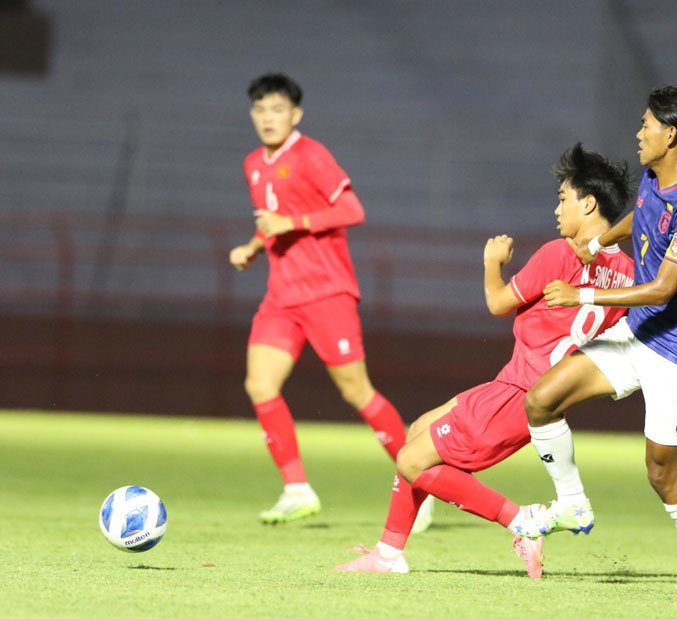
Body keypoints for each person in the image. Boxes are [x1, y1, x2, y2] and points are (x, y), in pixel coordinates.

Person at [334, 144, 635, 577]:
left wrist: (491, 262)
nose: (557, 209)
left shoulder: (559, 252)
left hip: (518, 393)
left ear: (588, 203)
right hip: (537, 394)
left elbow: (497, 302)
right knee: (418, 430)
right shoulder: (624, 271)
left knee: (412, 461)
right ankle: (389, 550)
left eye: (563, 198)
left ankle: (520, 520)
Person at [519, 85, 677, 590]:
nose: (638, 133)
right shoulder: (651, 177)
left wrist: (584, 298)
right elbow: (639, 216)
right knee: (542, 399)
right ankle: (572, 503)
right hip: (637, 335)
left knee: (662, 476)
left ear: (672, 135)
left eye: (646, 125)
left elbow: (664, 287)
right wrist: (596, 242)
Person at [229, 73, 432, 528]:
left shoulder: (312, 155)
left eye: (277, 109)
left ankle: (421, 482)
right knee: (260, 385)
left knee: (356, 391)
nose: (268, 118)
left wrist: (291, 223)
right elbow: (272, 221)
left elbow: (352, 211)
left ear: (295, 114)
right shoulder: (253, 164)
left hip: (326, 293)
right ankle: (297, 489)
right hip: (281, 297)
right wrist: (253, 246)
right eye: (260, 110)